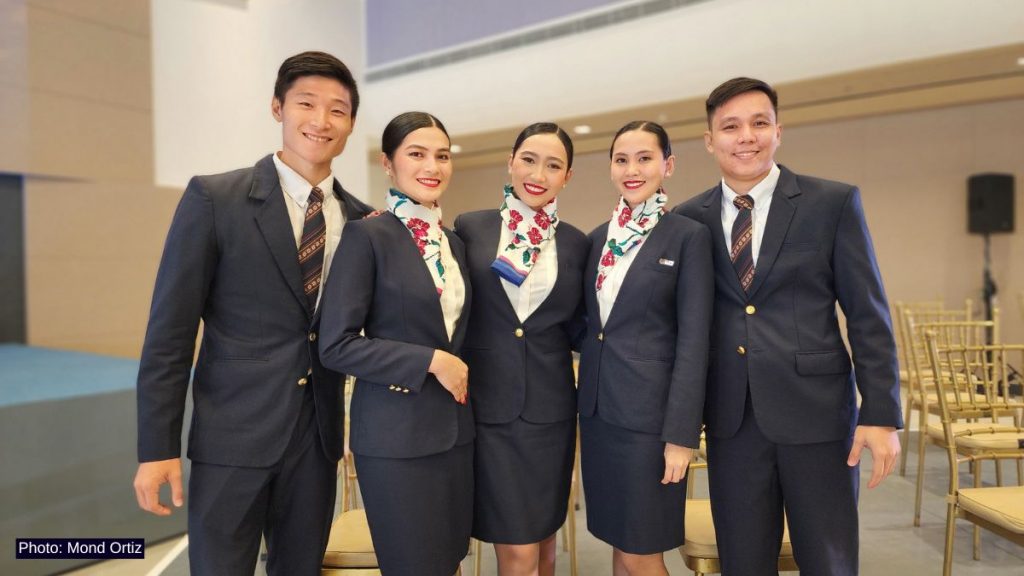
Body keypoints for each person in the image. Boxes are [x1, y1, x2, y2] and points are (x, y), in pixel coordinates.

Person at [132, 51, 373, 575]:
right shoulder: (215, 199)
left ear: (351, 123)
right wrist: (156, 448)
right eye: (306, 104)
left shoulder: (361, 221)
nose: (321, 120)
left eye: (337, 110)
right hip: (231, 438)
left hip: (316, 443)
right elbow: (170, 334)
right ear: (277, 108)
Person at [673, 77, 902, 575]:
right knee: (743, 561)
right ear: (710, 141)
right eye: (730, 127)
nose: (746, 136)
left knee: (828, 560)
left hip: (818, 418)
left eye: (759, 123)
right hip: (732, 421)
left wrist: (881, 414)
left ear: (778, 131)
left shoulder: (832, 203)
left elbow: (868, 315)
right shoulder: (687, 220)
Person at [318, 111, 473, 576]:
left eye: (442, 156)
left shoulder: (453, 243)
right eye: (417, 154)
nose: (432, 166)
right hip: (395, 438)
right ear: (388, 164)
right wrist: (430, 360)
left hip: (455, 434)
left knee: (448, 561)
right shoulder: (367, 235)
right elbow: (336, 345)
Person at [577, 121, 713, 575]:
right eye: (621, 160)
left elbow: (694, 341)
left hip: (650, 425)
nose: (632, 169)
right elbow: (591, 326)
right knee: (620, 543)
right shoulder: (598, 239)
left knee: (641, 551)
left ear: (667, 166)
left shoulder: (688, 236)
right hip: (599, 416)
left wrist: (681, 436)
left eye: (644, 158)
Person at [454, 123, 588, 576]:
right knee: (518, 550)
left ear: (567, 177)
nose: (538, 174)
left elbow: (581, 325)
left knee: (544, 545)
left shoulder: (576, 243)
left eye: (553, 165)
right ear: (510, 161)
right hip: (488, 409)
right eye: (529, 160)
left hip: (550, 415)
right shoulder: (471, 228)